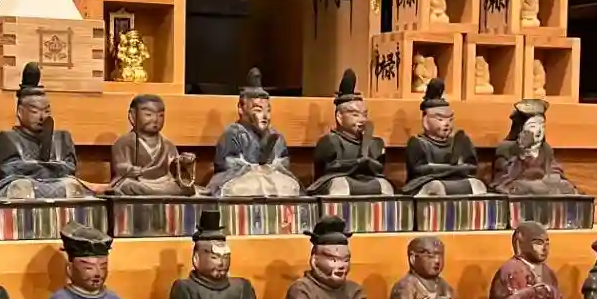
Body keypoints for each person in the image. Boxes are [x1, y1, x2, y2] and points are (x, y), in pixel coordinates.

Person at [159, 208, 270, 299]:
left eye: (226, 257)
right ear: (196, 259)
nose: (221, 263)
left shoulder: (242, 286)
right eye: (214, 257)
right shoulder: (183, 288)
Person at [0, 64, 97, 202]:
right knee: (21, 188)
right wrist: (49, 167)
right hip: (24, 183)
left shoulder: (62, 138)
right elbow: (9, 170)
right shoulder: (9, 138)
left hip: (56, 183)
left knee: (71, 186)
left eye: (46, 111)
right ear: (20, 112)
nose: (42, 117)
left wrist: (35, 167)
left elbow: (69, 168)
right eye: (35, 111)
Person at [206, 69, 300, 199]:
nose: (265, 116)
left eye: (268, 110)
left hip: (272, 178)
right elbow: (227, 165)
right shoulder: (233, 134)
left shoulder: (276, 136)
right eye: (258, 110)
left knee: (287, 186)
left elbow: (283, 164)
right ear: (241, 108)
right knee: (250, 187)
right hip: (241, 180)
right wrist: (254, 169)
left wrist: (271, 167)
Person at [484, 221, 580, 299]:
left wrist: (550, 292)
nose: (544, 248)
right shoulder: (511, 269)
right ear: (521, 244)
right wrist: (532, 292)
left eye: (547, 243)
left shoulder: (548, 271)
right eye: (538, 243)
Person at [309, 69, 394, 200]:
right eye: (355, 115)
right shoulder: (330, 141)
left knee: (385, 186)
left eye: (364, 115)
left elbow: (379, 168)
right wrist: (356, 163)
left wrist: (368, 162)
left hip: (365, 180)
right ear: (339, 117)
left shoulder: (374, 143)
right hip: (336, 180)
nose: (362, 119)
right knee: (339, 186)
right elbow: (328, 169)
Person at [402, 78, 486, 198]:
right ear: (425, 121)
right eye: (440, 119)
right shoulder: (418, 143)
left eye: (450, 119)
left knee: (477, 186)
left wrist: (456, 169)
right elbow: (419, 170)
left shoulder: (460, 141)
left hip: (457, 179)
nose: (447, 124)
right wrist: (452, 168)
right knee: (436, 188)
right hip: (426, 181)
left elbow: (472, 167)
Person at [490, 97, 581, 197]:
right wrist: (522, 153)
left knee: (565, 186)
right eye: (533, 126)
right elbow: (502, 180)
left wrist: (553, 177)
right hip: (522, 190)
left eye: (542, 126)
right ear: (520, 129)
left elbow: (554, 170)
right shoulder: (506, 149)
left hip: (544, 189)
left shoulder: (545, 149)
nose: (539, 131)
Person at [108, 93, 196, 197]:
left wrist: (183, 162)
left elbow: (174, 170)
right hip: (140, 181)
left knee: (186, 185)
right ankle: (158, 193)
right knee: (127, 185)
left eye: (160, 115)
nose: (155, 119)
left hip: (163, 182)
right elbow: (120, 166)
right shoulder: (124, 142)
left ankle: (158, 193)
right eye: (148, 115)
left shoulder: (168, 145)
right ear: (133, 116)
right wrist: (130, 169)